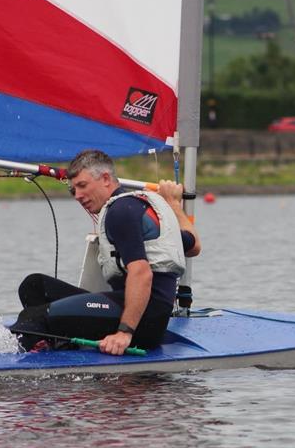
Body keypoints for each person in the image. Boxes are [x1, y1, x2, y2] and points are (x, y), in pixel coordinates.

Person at [13, 149, 200, 355]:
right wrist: (174, 204)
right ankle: (62, 344)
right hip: (142, 312)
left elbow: (142, 273)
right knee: (35, 286)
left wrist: (124, 333)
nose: (78, 196)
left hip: (142, 323)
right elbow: (193, 245)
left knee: (34, 318)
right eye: (73, 190)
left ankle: (14, 370)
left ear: (105, 178)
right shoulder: (140, 209)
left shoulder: (120, 212)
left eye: (82, 186)